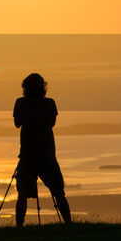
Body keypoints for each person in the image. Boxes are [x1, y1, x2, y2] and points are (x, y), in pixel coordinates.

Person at [13, 73, 72, 225]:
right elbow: (52, 123)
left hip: (27, 155)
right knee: (58, 192)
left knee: (22, 195)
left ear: (25, 87)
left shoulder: (20, 103)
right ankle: (69, 224)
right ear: (43, 87)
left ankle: (19, 227)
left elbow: (17, 123)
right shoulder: (50, 103)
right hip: (47, 155)